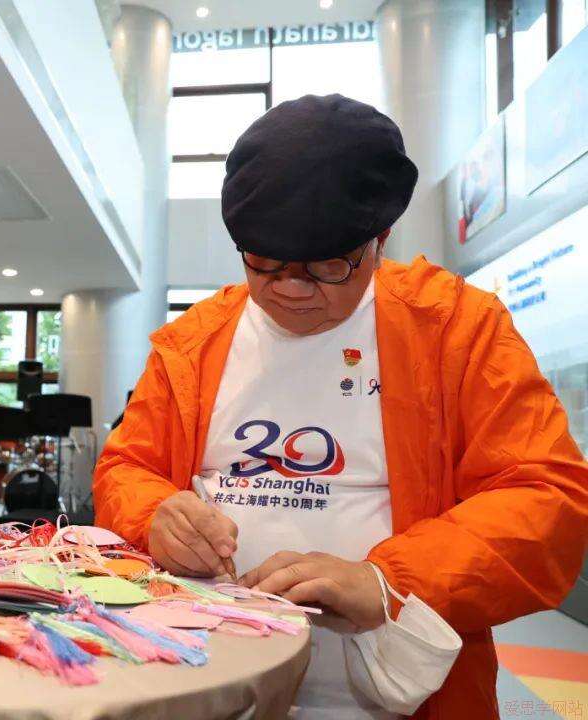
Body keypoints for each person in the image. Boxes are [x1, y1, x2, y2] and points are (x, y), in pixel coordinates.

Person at [93, 94, 588, 719]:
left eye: (327, 267)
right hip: (208, 685)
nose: (292, 290)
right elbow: (126, 468)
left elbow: (546, 499)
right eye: (265, 264)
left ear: (380, 240)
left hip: (404, 696)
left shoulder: (455, 330)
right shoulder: (194, 343)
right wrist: (154, 516)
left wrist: (390, 581)